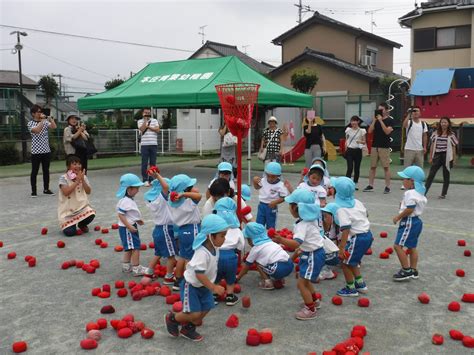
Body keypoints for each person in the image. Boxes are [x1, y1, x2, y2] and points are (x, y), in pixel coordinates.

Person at [165, 214, 229, 342]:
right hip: (192, 286)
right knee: (194, 314)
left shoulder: (215, 248)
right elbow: (199, 274)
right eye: (222, 235)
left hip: (204, 286)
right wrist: (214, 287)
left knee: (206, 307)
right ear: (210, 236)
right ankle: (172, 318)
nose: (225, 238)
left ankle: (188, 328)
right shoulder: (202, 252)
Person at [273, 189, 324, 320]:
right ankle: (314, 301)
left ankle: (310, 309)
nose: (289, 208)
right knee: (305, 280)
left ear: (296, 208)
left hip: (312, 255)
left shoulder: (303, 224)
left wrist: (281, 240)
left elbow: (296, 244)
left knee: (301, 283)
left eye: (290, 205)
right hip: (313, 253)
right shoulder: (311, 219)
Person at [332, 177, 373, 297]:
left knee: (345, 263)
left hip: (357, 239)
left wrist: (341, 247)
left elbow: (346, 229)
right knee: (353, 262)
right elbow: (367, 214)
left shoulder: (341, 209)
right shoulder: (358, 202)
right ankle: (360, 284)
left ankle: (350, 288)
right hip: (367, 235)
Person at [392, 166, 427, 281]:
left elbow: (410, 209)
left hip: (409, 222)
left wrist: (398, 217)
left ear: (411, 181)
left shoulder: (410, 193)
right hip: (417, 222)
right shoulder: (420, 193)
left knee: (397, 246)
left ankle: (406, 270)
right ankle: (413, 270)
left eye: (404, 179)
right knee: (412, 247)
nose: (403, 181)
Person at [168, 174, 202, 291]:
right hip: (192, 230)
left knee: (182, 256)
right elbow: (199, 196)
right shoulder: (187, 203)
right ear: (184, 191)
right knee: (191, 258)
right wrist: (184, 194)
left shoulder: (172, 202)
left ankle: (178, 280)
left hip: (182, 231)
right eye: (190, 187)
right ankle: (190, 281)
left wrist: (182, 194)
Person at [237, 222, 294, 290]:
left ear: (251, 238)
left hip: (278, 269)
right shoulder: (271, 242)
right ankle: (280, 279)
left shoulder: (255, 249)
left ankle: (268, 283)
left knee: (257, 262)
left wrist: (238, 278)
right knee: (273, 259)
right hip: (290, 265)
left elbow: (246, 267)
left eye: (248, 238)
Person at [143, 170, 176, 284]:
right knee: (171, 256)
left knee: (158, 253)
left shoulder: (153, 201)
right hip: (165, 229)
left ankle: (149, 272)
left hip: (157, 229)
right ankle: (169, 276)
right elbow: (166, 186)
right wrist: (157, 175)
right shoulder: (161, 198)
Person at [213, 197, 245, 306]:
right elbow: (241, 244)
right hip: (231, 256)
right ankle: (230, 296)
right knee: (230, 278)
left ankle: (214, 295)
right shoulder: (236, 229)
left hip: (216, 256)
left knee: (215, 277)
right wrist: (237, 250)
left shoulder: (215, 228)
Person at [116, 173, 147, 276]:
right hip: (128, 228)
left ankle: (126, 266)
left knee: (129, 248)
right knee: (136, 247)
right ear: (129, 189)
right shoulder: (126, 201)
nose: (138, 190)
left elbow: (129, 214)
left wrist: (137, 220)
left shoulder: (127, 200)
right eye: (136, 188)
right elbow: (121, 215)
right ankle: (136, 268)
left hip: (128, 226)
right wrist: (129, 226)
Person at [58, 155, 95, 236]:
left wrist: (82, 180)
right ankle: (72, 225)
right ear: (68, 166)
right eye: (74, 164)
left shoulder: (83, 177)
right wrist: (77, 181)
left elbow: (88, 191)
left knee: (91, 214)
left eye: (79, 164)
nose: (77, 166)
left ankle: (82, 224)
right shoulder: (63, 178)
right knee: (70, 233)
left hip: (81, 207)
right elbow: (66, 192)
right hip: (68, 211)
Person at [425, 117, 458, 199]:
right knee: (431, 174)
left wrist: (454, 159)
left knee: (446, 175)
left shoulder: (451, 134)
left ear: (448, 124)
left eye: (445, 122)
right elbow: (432, 145)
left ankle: (443, 193)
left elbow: (454, 147)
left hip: (447, 156)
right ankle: (424, 192)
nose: (443, 124)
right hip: (437, 156)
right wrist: (431, 157)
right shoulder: (435, 133)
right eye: (442, 122)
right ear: (440, 123)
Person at [364, 102, 394, 194]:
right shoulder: (375, 120)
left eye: (382, 109)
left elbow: (387, 132)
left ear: (386, 110)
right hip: (374, 146)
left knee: (386, 167)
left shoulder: (389, 120)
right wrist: (374, 120)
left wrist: (381, 121)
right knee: (372, 166)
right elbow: (369, 131)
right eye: (378, 109)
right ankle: (370, 185)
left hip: (384, 146)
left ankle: (387, 186)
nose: (380, 111)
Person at [28, 104, 57, 197]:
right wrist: (43, 120)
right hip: (36, 151)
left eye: (41, 111)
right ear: (33, 114)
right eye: (38, 112)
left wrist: (50, 118)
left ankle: (46, 189)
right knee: (34, 171)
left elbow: (54, 127)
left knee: (46, 170)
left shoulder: (44, 122)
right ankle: (34, 191)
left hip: (46, 150)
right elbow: (36, 130)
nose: (40, 113)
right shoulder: (30, 123)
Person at [253, 162, 289, 229]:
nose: (270, 178)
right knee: (259, 225)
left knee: (271, 225)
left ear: (278, 175)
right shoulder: (263, 180)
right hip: (261, 205)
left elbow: (284, 197)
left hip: (272, 206)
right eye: (268, 176)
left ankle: (270, 238)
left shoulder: (281, 185)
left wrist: (275, 202)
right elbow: (257, 187)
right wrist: (254, 182)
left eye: (273, 176)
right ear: (266, 174)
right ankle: (259, 238)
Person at [137, 108, 160, 186]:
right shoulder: (140, 121)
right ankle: (145, 180)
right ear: (142, 113)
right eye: (145, 113)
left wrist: (149, 127)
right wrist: (145, 121)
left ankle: (152, 179)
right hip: (144, 145)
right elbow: (142, 129)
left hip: (153, 144)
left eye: (148, 113)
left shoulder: (154, 120)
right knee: (144, 163)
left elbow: (157, 130)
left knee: (153, 163)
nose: (147, 114)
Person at [344, 116, 366, 190]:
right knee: (350, 167)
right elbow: (346, 140)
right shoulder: (348, 130)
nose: (353, 122)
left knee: (357, 168)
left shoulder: (362, 131)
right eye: (352, 121)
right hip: (350, 150)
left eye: (354, 121)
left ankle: (355, 184)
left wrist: (360, 141)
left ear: (358, 122)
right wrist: (345, 148)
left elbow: (364, 141)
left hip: (358, 151)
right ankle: (347, 183)